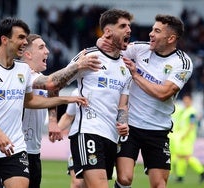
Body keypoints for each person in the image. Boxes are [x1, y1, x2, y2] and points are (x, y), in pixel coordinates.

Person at [0, 17, 93, 188]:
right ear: (4, 39)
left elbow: (30, 101)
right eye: (21, 38)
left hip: (16, 147)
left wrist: (64, 99)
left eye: (26, 38)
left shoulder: (23, 70)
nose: (24, 42)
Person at [98, 14, 193, 188]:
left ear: (171, 38)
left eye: (156, 31)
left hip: (158, 130)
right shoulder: (139, 49)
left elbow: (164, 93)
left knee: (159, 184)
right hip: (130, 127)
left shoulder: (182, 63)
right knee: (125, 178)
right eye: (152, 29)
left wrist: (135, 74)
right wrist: (100, 42)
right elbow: (109, 48)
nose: (150, 34)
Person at [20, 34, 100, 188]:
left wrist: (52, 121)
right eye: (41, 47)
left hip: (33, 150)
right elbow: (51, 83)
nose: (47, 51)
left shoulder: (38, 76)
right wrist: (77, 65)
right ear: (28, 54)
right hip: (16, 151)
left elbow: (52, 87)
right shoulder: (22, 74)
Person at [67, 9, 133, 188]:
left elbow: (123, 105)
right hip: (88, 130)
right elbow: (55, 83)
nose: (129, 30)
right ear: (108, 32)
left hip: (111, 136)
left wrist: (123, 122)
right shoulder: (88, 56)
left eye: (129, 26)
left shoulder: (125, 67)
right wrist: (52, 120)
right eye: (123, 26)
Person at [173, 94, 204, 183]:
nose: (185, 102)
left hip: (187, 137)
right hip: (182, 136)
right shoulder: (185, 111)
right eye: (184, 100)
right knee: (180, 156)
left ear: (191, 101)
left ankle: (202, 173)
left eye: (187, 100)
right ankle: (180, 176)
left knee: (187, 156)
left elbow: (191, 125)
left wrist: (185, 134)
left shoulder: (192, 112)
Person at [58, 88, 85, 188]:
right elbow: (69, 116)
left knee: (92, 183)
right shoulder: (76, 92)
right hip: (77, 140)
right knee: (77, 183)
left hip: (101, 140)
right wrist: (56, 129)